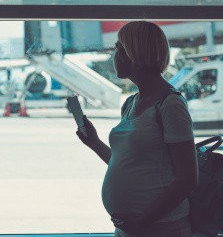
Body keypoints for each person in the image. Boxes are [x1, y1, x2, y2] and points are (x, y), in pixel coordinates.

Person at [76, 21, 198, 237]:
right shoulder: (131, 103)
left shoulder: (170, 104)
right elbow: (128, 163)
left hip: (162, 228)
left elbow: (188, 178)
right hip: (132, 228)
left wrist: (143, 221)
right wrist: (94, 143)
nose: (113, 56)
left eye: (118, 49)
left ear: (134, 54)